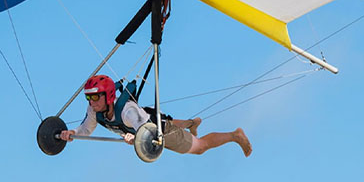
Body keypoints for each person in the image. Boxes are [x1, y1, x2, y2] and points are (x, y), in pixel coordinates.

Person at [59, 75, 252, 157]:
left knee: (200, 147)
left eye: (94, 97)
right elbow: (86, 129)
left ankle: (235, 135)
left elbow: (145, 131)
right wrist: (71, 133)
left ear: (108, 95)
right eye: (88, 97)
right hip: (150, 115)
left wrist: (135, 137)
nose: (91, 102)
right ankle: (192, 123)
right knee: (171, 122)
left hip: (158, 129)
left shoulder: (127, 111)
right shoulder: (94, 109)